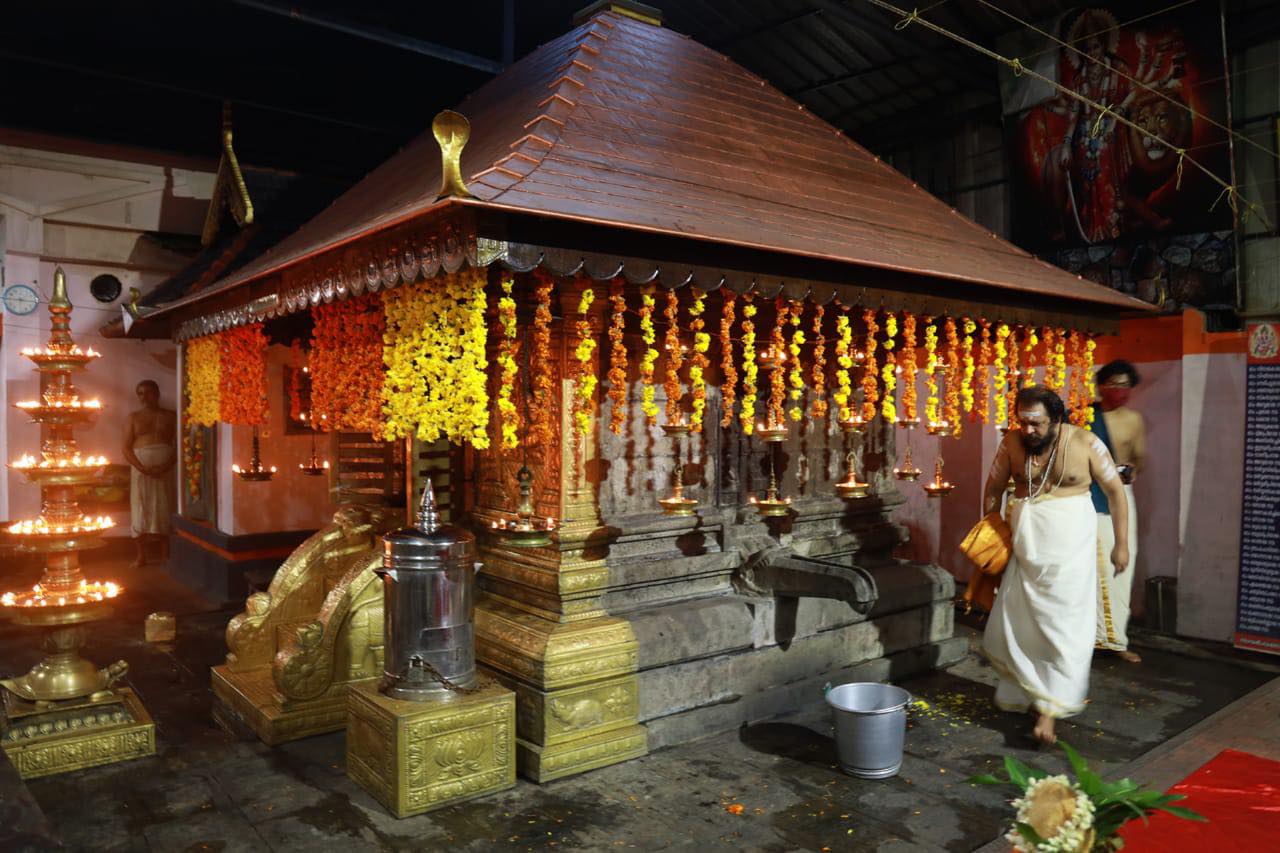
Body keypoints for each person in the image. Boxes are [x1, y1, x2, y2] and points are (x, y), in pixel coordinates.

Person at [980, 386, 1130, 746]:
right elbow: (993, 488)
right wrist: (992, 535)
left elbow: (1116, 493)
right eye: (1023, 422)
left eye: (1037, 423)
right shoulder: (1011, 444)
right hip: (1025, 552)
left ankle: (1049, 710)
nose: (1028, 430)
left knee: (1065, 627)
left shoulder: (1086, 443)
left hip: (1070, 554)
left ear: (1056, 419)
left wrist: (1121, 545)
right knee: (1022, 625)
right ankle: (1035, 692)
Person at [1090, 360, 1146, 663]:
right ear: (1101, 386)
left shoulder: (1134, 420)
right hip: (1091, 495)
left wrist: (1132, 470)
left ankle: (1116, 639)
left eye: (1126, 385)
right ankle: (1091, 636)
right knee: (1092, 566)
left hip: (1121, 493)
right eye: (1114, 384)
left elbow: (1139, 459)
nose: (1120, 390)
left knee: (1124, 563)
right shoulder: (1087, 415)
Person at [123, 380, 176, 567]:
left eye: (149, 393)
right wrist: (141, 467)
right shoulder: (133, 417)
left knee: (164, 507)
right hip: (140, 469)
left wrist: (167, 465)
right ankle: (141, 556)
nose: (145, 397)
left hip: (165, 469)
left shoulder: (171, 416)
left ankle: (165, 555)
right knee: (140, 509)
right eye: (141, 393)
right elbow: (126, 448)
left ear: (157, 393)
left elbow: (181, 446)